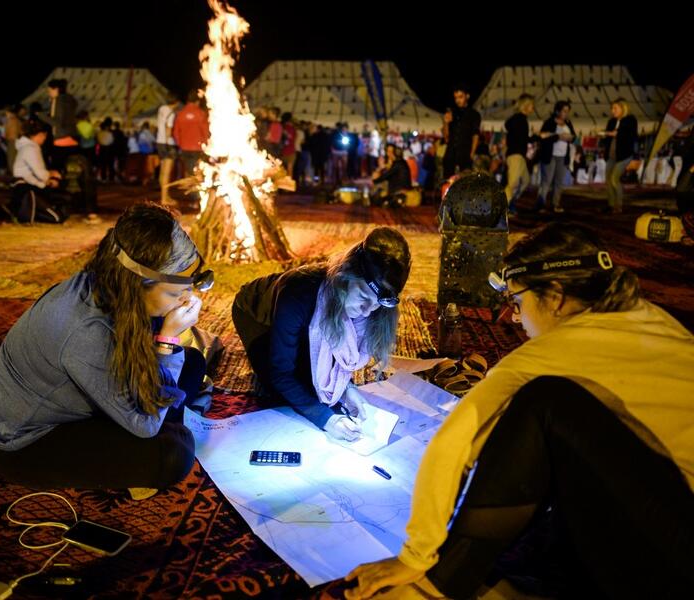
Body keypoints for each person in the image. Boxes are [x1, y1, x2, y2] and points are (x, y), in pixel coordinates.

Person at [345, 222, 694, 600]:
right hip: (671, 521)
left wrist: (414, 556)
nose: (514, 318)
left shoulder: (556, 350)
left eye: (518, 302)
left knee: (543, 403)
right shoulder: (655, 320)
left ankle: (439, 584)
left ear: (556, 297)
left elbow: (452, 444)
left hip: (676, 558)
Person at [0, 203, 214, 496]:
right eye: (177, 292)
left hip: (81, 394)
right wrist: (166, 339)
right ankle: (166, 431)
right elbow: (146, 424)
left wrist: (167, 337)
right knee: (174, 454)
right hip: (24, 440)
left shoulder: (111, 282)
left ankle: (170, 416)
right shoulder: (85, 331)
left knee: (191, 362)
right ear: (141, 283)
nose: (185, 300)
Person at [232, 228, 411, 440]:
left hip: (299, 316)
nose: (366, 311)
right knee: (280, 385)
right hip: (255, 313)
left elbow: (338, 354)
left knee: (313, 376)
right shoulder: (298, 293)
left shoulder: (368, 306)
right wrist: (326, 419)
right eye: (363, 296)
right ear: (346, 277)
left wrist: (346, 389)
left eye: (376, 305)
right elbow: (280, 373)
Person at [10, 120, 65, 223]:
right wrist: (51, 176)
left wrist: (44, 182)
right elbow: (40, 173)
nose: (44, 139)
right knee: (56, 217)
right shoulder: (31, 148)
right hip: (27, 189)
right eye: (44, 136)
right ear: (40, 134)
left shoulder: (26, 147)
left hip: (23, 187)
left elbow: (30, 175)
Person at [537, 100, 576, 213]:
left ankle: (555, 204)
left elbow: (574, 137)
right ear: (557, 111)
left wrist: (570, 137)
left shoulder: (568, 123)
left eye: (567, 111)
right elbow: (542, 137)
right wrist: (558, 136)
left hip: (563, 156)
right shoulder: (549, 122)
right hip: (550, 155)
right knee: (546, 181)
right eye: (564, 111)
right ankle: (541, 204)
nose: (566, 113)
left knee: (559, 182)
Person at [601, 98, 638, 214]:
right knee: (608, 180)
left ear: (623, 108)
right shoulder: (611, 121)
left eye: (615, 108)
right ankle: (610, 205)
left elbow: (628, 135)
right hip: (611, 155)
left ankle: (618, 206)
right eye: (612, 108)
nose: (613, 111)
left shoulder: (630, 120)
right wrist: (605, 136)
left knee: (614, 179)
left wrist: (610, 133)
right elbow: (608, 138)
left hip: (624, 155)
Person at [503, 93, 534, 213]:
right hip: (515, 155)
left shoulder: (520, 119)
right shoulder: (520, 119)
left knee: (525, 181)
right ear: (525, 106)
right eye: (531, 105)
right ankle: (501, 208)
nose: (533, 108)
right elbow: (522, 138)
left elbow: (520, 137)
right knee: (512, 184)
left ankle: (511, 203)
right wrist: (536, 137)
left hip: (519, 155)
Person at [442, 85, 481, 178]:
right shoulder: (452, 113)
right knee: (448, 182)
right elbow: (446, 138)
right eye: (455, 98)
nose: (457, 100)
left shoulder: (474, 114)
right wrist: (446, 123)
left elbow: (475, 135)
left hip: (465, 154)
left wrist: (472, 154)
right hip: (450, 154)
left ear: (467, 96)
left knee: (465, 182)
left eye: (460, 97)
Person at [172, 91, 208, 178]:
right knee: (197, 171)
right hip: (198, 148)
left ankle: (189, 190)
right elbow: (206, 132)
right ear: (197, 101)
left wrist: (180, 144)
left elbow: (176, 132)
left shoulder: (180, 114)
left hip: (184, 148)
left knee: (188, 170)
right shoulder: (201, 113)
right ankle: (194, 191)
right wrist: (206, 144)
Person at [156, 94, 180, 204]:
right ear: (176, 103)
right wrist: (168, 142)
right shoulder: (171, 113)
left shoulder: (161, 109)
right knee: (167, 172)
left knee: (162, 171)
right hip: (167, 143)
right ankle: (164, 198)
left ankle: (165, 196)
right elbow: (168, 130)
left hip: (158, 142)